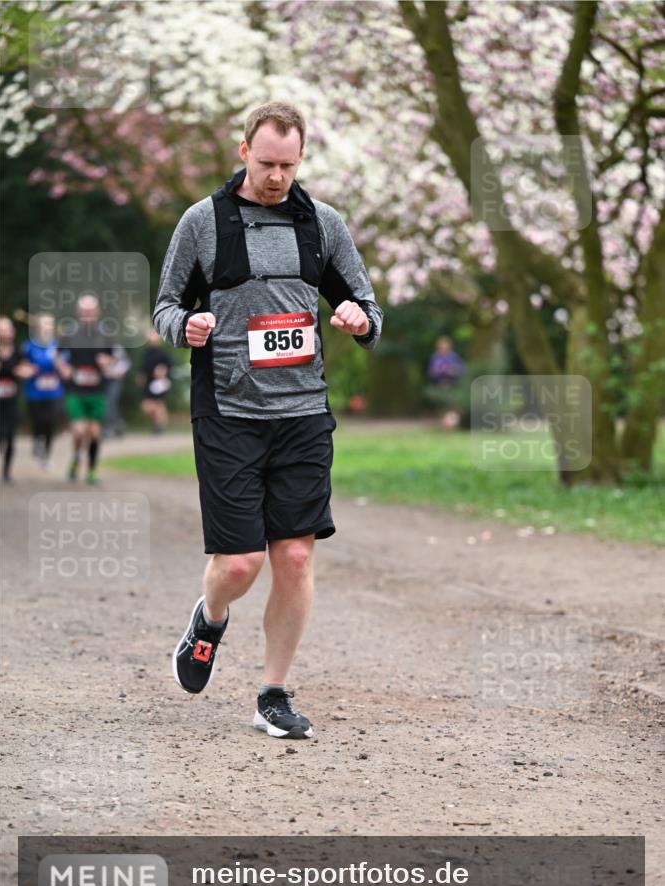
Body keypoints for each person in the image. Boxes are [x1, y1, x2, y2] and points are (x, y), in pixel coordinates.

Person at [153, 101, 382, 739]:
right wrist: (187, 326)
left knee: (296, 559)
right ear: (242, 152)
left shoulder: (321, 225)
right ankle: (210, 619)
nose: (276, 176)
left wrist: (360, 320)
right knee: (239, 565)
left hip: (304, 414)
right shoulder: (204, 222)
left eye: (287, 164)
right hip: (229, 412)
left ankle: (272, 694)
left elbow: (364, 303)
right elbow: (166, 306)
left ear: (300, 158)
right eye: (265, 162)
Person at [58, 294, 115, 484]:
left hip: (97, 391)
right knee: (79, 431)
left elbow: (114, 359)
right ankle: (75, 458)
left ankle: (91, 469)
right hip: (76, 390)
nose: (87, 315)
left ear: (97, 312)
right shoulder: (70, 334)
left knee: (95, 433)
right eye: (84, 311)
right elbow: (57, 355)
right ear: (79, 313)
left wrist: (106, 362)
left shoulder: (105, 335)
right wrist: (64, 368)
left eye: (90, 311)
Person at [22, 313, 65, 470]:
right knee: (38, 422)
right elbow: (22, 365)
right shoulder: (29, 346)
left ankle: (46, 455)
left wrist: (58, 360)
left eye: (50, 324)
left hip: (54, 391)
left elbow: (64, 368)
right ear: (38, 327)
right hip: (34, 392)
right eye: (44, 324)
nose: (47, 327)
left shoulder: (58, 346)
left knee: (50, 422)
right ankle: (37, 441)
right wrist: (28, 369)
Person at [0, 316, 28, 483]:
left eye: (7, 329)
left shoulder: (18, 352)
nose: (4, 333)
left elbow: (27, 369)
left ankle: (6, 472)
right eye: (1, 329)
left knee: (9, 436)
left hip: (11, 400)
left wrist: (24, 371)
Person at [427, 335, 467, 430]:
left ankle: (451, 424)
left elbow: (462, 370)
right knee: (443, 406)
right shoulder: (434, 357)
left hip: (453, 384)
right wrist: (437, 371)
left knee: (453, 406)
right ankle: (444, 424)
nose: (443, 348)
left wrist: (452, 371)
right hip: (439, 384)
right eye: (441, 346)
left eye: (445, 346)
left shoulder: (454, 357)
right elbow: (431, 372)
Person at [139, 329, 173, 433]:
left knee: (157, 404)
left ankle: (159, 426)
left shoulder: (162, 353)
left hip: (160, 383)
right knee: (147, 407)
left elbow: (168, 365)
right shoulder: (146, 353)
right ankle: (158, 424)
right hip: (149, 383)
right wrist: (142, 376)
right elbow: (144, 368)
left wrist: (163, 370)